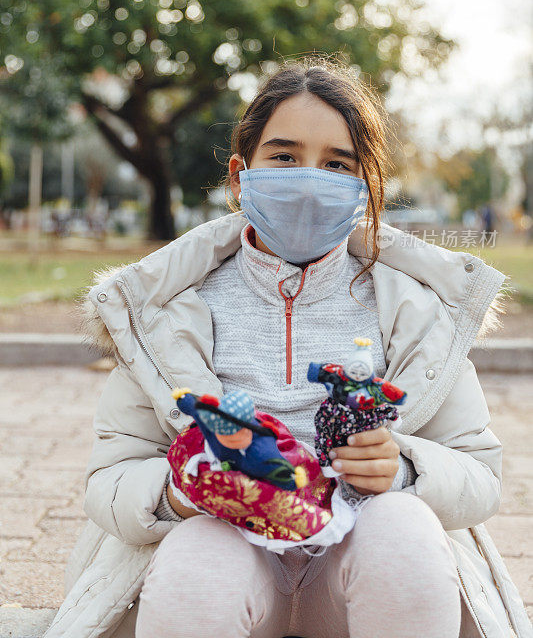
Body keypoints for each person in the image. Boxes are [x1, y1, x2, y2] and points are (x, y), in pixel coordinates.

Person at [44, 58, 532, 638]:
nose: (307, 178)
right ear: (238, 175)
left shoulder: (420, 308)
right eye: (283, 157)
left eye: (336, 164)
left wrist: (402, 468)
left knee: (405, 533)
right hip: (233, 557)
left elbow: (480, 476)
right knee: (197, 558)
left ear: (365, 187)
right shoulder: (164, 306)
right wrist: (183, 488)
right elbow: (110, 480)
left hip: (356, 569)